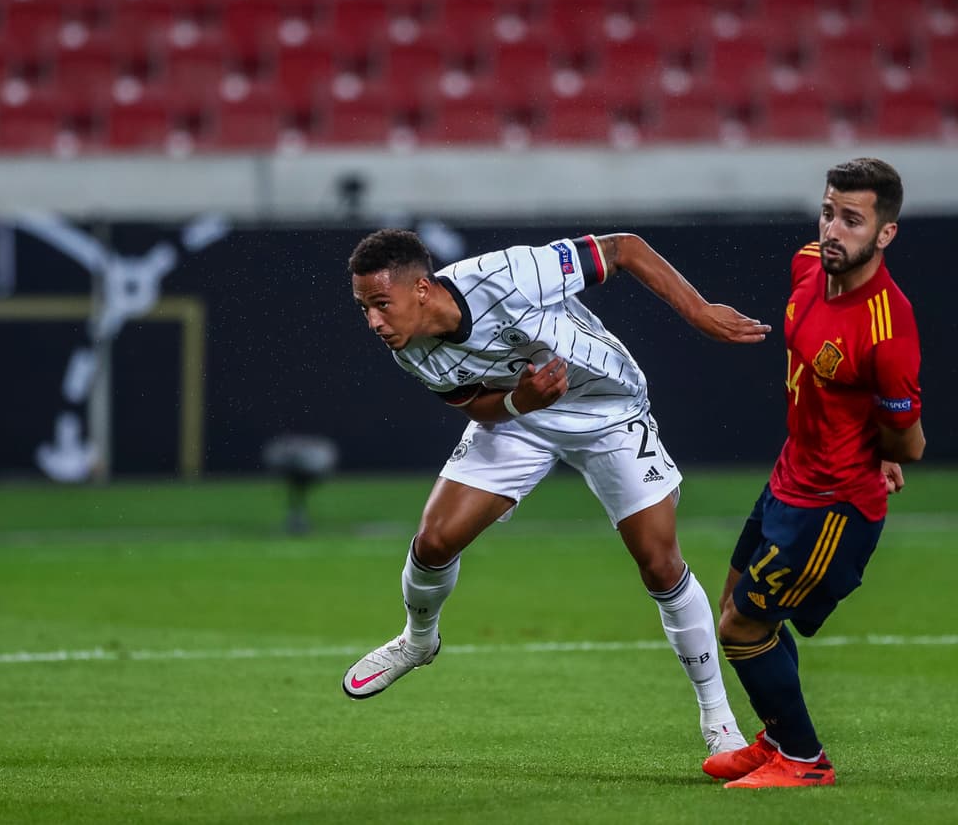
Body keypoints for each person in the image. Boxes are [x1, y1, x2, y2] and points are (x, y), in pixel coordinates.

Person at [342, 227, 772, 757]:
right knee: (433, 542)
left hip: (609, 413)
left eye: (381, 304)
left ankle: (717, 716)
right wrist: (520, 405)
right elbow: (474, 401)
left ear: (422, 289)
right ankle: (417, 640)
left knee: (660, 565)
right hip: (521, 419)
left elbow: (625, 249)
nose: (374, 322)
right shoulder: (409, 348)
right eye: (364, 308)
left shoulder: (508, 276)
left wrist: (700, 311)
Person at [702, 158, 925, 788]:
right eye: (829, 211)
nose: (833, 229)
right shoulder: (808, 263)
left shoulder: (887, 325)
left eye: (853, 220)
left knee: (742, 626)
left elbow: (908, 444)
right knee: (741, 610)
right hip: (788, 477)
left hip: (835, 505)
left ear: (885, 234)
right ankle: (776, 738)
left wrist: (886, 448)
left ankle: (803, 761)